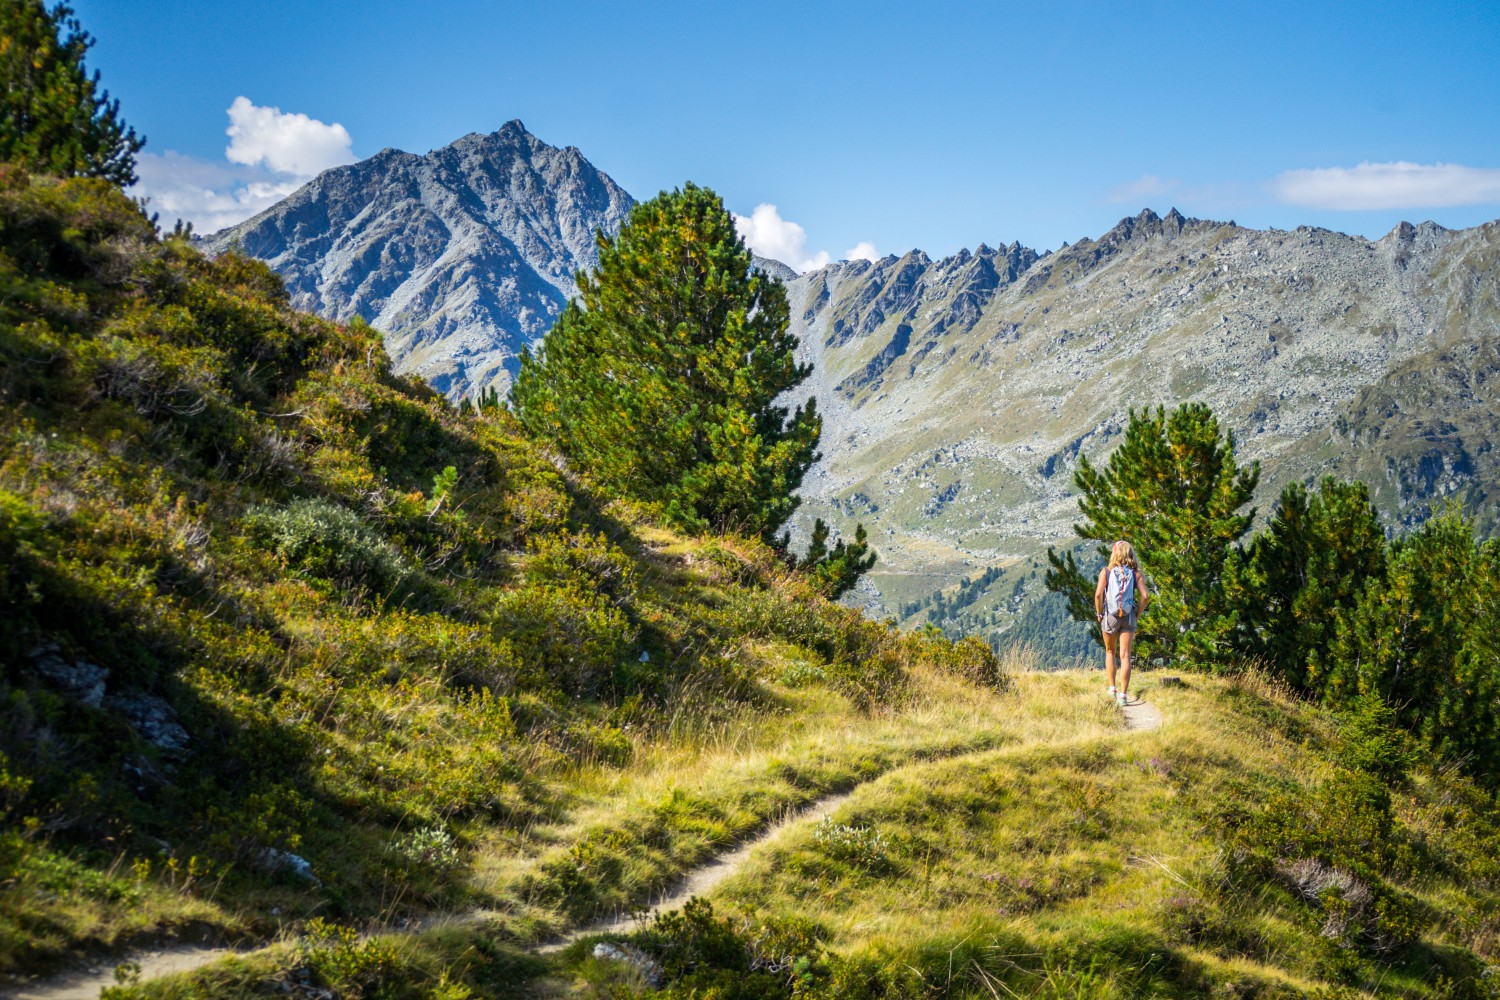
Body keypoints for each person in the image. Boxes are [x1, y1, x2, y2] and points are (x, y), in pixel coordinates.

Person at [1094, 540, 1150, 707]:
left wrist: (1099, 613)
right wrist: (1137, 614)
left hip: (1110, 615)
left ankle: (1112, 690)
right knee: (1125, 656)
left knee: (1110, 651)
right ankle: (1124, 695)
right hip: (1128, 616)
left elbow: (1098, 595)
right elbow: (1145, 596)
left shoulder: (1106, 572)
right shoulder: (1136, 574)